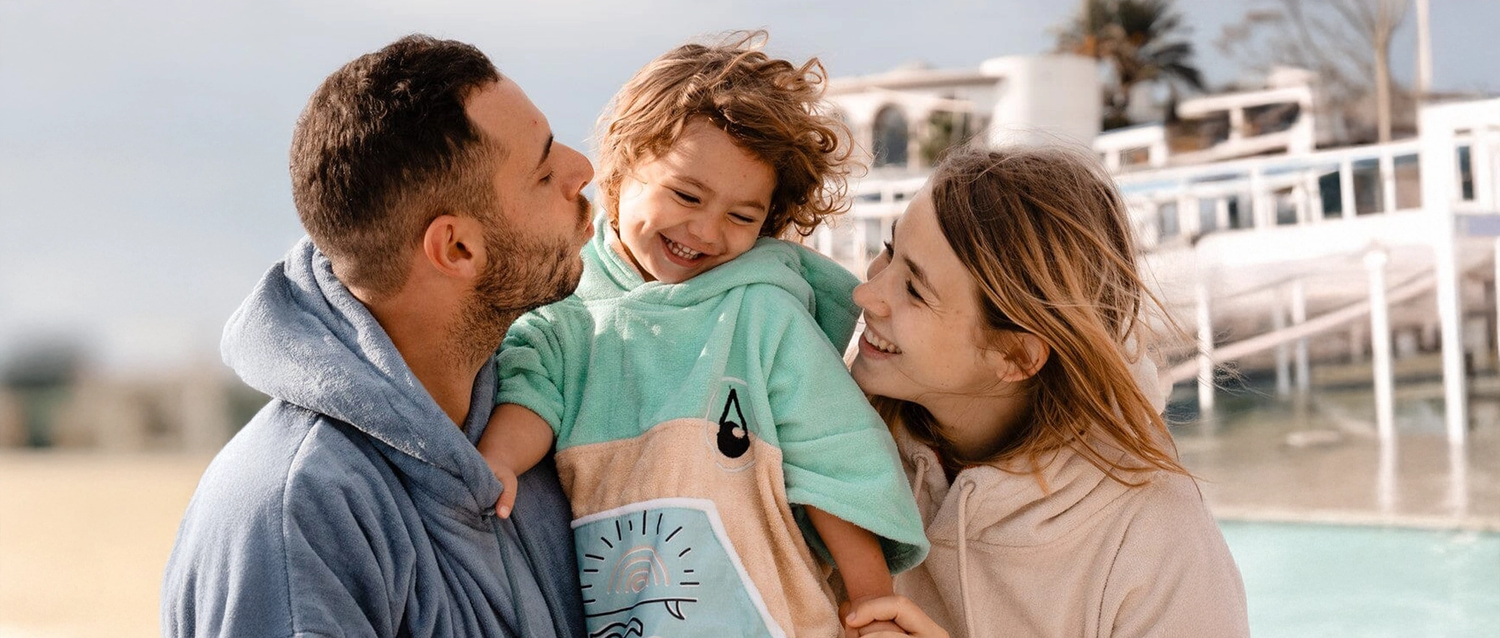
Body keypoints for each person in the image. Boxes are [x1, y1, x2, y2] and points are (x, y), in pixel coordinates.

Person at [475, 33, 928, 637]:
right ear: (620, 169)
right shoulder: (570, 307)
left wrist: (871, 602)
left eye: (742, 216)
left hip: (778, 619)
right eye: (686, 195)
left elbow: (834, 457)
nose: (707, 231)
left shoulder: (762, 313)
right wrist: (500, 459)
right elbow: (532, 390)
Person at [160, 35, 595, 637]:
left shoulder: (547, 416)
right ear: (456, 248)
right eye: (544, 172)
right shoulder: (295, 518)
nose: (583, 170)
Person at [843, 145, 1250, 638]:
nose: (865, 293)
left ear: (1016, 355)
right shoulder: (836, 434)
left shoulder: (1155, 536)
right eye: (889, 250)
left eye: (914, 289)